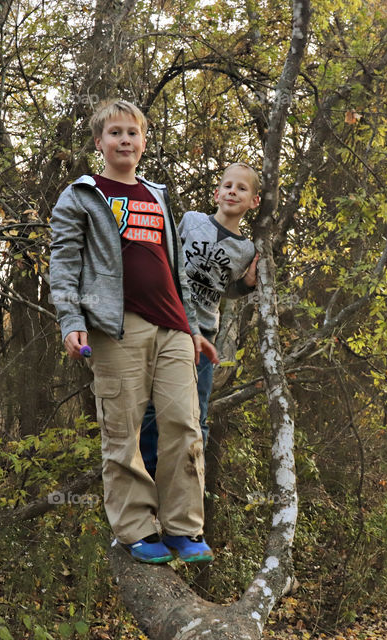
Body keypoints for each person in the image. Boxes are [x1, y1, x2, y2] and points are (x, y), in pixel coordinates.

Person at [48, 98, 217, 564]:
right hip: (116, 329)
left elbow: (176, 269)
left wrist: (194, 327)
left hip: (174, 328)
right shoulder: (82, 195)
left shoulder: (156, 194)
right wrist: (71, 321)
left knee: (184, 426)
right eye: (115, 132)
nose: (125, 140)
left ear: (143, 142)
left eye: (132, 133)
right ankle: (136, 530)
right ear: (99, 142)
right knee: (122, 432)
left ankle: (183, 528)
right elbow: (64, 263)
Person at [140, 163, 260, 478]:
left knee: (197, 410)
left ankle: (191, 479)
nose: (233, 192)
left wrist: (247, 284)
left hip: (204, 336)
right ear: (217, 193)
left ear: (254, 201)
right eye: (228, 186)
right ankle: (148, 476)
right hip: (167, 324)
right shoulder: (192, 221)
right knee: (153, 407)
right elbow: (167, 259)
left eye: (242, 188)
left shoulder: (246, 249)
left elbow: (226, 287)